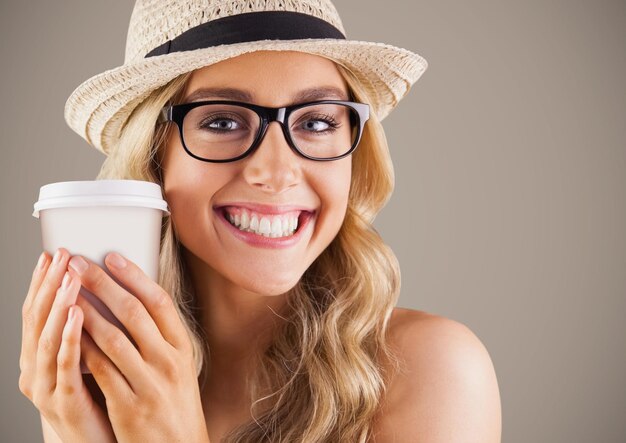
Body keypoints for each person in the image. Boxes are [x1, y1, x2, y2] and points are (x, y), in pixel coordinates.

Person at [19, 1, 502, 442]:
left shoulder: (433, 369)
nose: (276, 173)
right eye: (223, 122)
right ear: (153, 157)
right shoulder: (94, 375)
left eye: (316, 122)